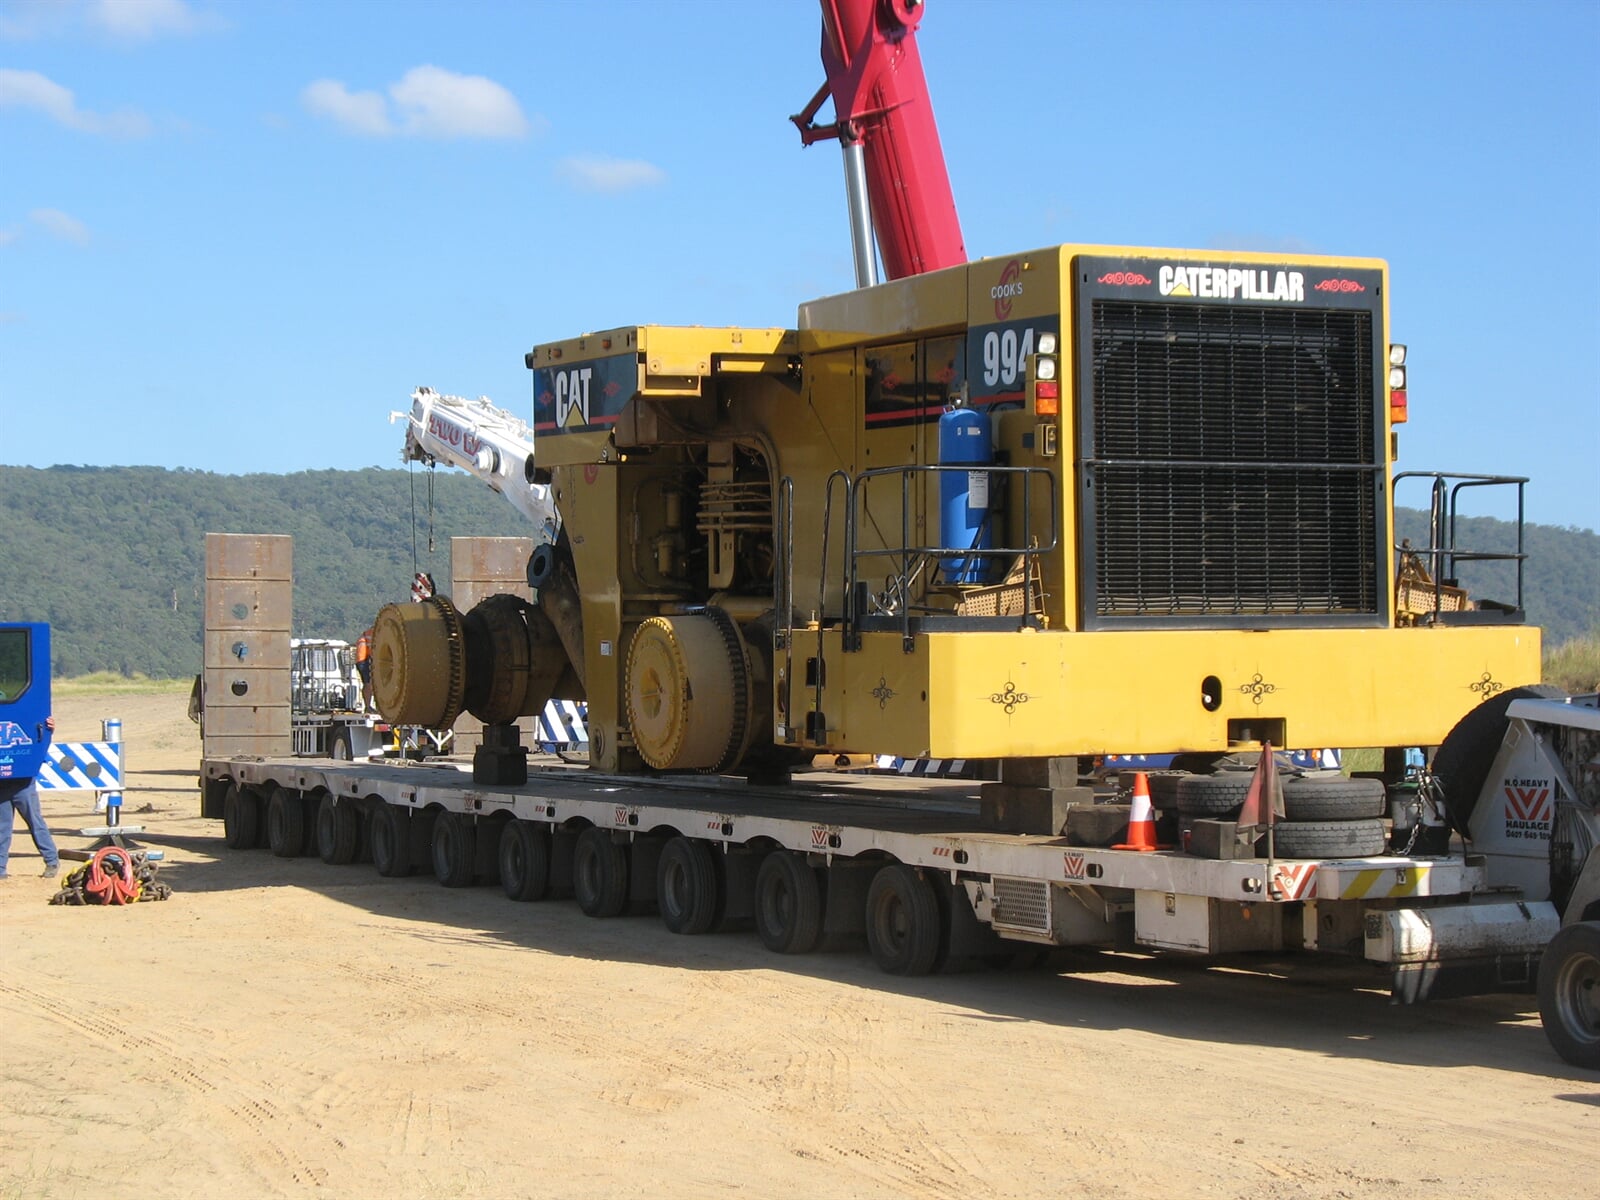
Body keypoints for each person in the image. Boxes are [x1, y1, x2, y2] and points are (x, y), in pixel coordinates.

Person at [0, 714, 60, 881]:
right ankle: (0, 868)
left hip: (23, 783)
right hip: (2, 784)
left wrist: (49, 730)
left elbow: (39, 741)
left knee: (35, 822)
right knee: (2, 828)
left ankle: (51, 861)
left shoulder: (22, 714)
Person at [354, 627, 375, 712]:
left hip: (361, 660)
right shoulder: (375, 633)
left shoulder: (366, 633)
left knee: (368, 683)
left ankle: (368, 706)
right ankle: (368, 706)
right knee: (368, 683)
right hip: (363, 660)